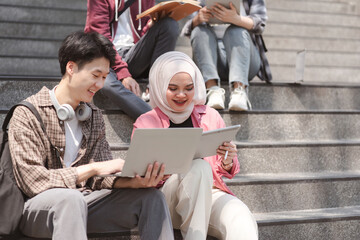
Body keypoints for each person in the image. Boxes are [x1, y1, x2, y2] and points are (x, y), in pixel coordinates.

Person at [8, 31, 174, 240]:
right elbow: (33, 181)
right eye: (95, 75)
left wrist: (134, 182)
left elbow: (101, 178)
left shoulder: (93, 114)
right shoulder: (27, 113)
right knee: (70, 200)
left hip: (83, 203)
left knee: (152, 198)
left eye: (104, 78)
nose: (100, 84)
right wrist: (92, 168)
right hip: (36, 210)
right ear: (71, 68)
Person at [133, 51, 258, 240]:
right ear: (159, 87)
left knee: (241, 217)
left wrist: (228, 160)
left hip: (208, 193)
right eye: (173, 88)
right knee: (198, 166)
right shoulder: (146, 122)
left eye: (189, 88)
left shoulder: (210, 115)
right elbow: (137, 175)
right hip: (164, 199)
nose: (182, 95)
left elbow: (227, 171)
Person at [85, 0, 180, 119]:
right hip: (104, 55)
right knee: (106, 84)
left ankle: (155, 88)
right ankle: (154, 120)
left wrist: (151, 26)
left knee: (169, 24)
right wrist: (123, 72)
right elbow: (100, 37)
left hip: (133, 54)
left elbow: (140, 33)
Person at [181, 0, 268, 111]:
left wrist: (236, 19)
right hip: (212, 61)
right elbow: (187, 28)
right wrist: (197, 19)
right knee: (198, 31)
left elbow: (260, 24)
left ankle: (239, 91)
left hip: (246, 61)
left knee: (235, 30)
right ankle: (212, 90)